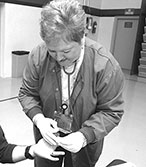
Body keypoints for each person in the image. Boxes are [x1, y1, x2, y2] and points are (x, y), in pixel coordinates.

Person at [18, 0, 125, 167]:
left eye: (66, 51)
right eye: (52, 51)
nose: (59, 58)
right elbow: (27, 93)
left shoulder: (105, 66)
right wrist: (39, 119)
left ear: (82, 37)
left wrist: (85, 135)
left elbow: (111, 111)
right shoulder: (38, 55)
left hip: (85, 142)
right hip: (48, 136)